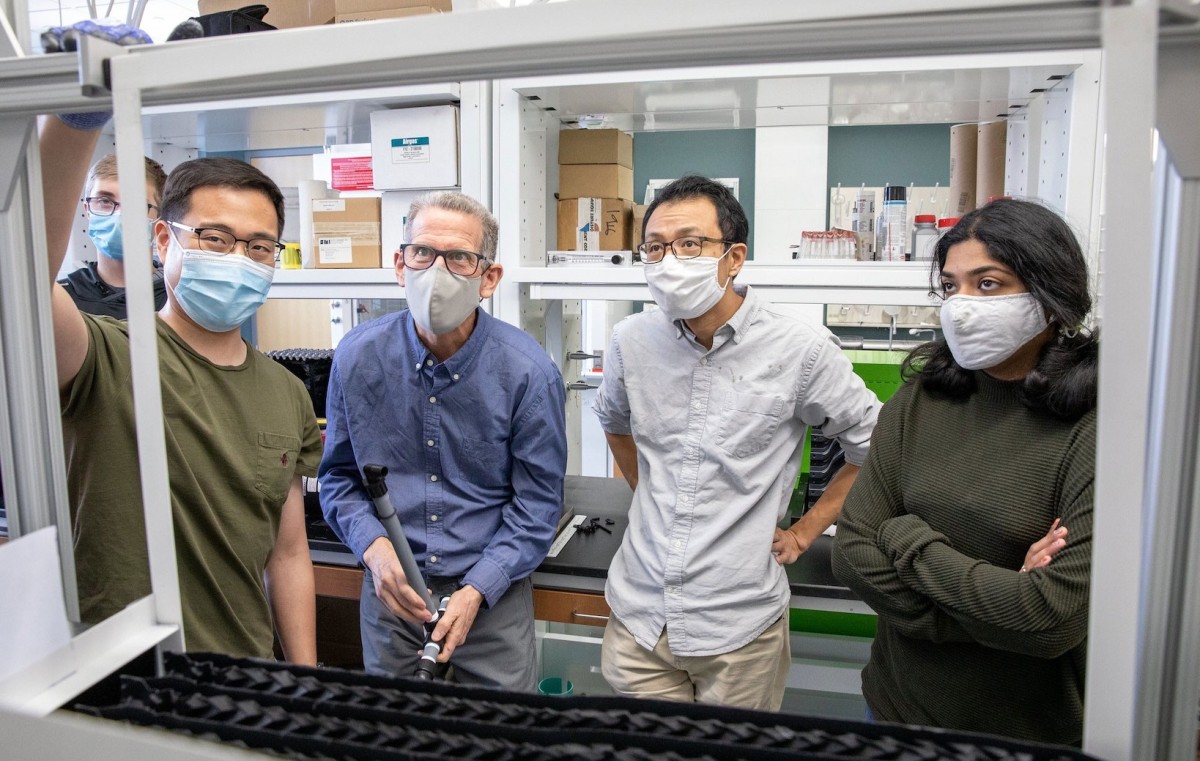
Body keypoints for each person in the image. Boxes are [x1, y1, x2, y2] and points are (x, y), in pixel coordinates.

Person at [592, 175, 881, 711]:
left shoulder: (801, 350)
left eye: (689, 244)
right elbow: (613, 420)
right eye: (654, 247)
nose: (668, 260)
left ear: (733, 257)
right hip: (639, 615)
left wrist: (803, 533)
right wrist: (649, 488)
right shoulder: (632, 339)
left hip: (738, 627)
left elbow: (876, 448)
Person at [40, 115, 320, 663]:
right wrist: (73, 125)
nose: (238, 258)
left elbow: (287, 555)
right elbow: (21, 276)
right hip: (118, 680)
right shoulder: (106, 354)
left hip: (241, 677)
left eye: (259, 248)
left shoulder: (287, 392)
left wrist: (305, 679)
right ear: (164, 239)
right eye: (215, 239)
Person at [830, 199, 1098, 746]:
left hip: (1025, 734)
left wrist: (906, 537)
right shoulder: (920, 398)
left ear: (1050, 295)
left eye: (989, 284)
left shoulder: (1095, 423)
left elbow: (1050, 618)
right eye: (951, 286)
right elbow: (854, 551)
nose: (962, 306)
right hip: (895, 710)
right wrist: (995, 614)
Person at [319, 191, 567, 690]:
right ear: (399, 263)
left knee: (499, 739)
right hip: (393, 594)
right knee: (396, 736)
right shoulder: (356, 357)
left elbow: (538, 505)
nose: (436, 271)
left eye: (459, 258)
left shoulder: (528, 374)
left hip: (491, 595)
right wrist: (376, 553)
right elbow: (339, 481)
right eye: (423, 253)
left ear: (488, 278)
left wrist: (479, 588)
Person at [57, 153, 169, 318]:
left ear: (160, 216)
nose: (119, 215)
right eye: (104, 201)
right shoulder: (62, 300)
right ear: (87, 210)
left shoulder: (177, 299)